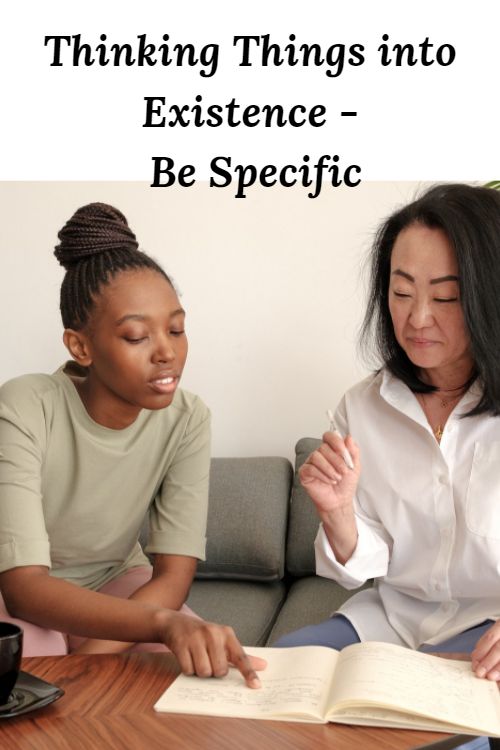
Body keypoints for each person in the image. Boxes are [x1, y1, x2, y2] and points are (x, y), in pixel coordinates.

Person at [0, 202, 263, 687]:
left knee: (187, 667)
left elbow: (172, 577)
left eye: (177, 329)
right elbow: (24, 588)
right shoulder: (24, 405)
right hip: (18, 593)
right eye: (137, 336)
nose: (167, 352)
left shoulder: (188, 419)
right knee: (30, 663)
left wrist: (93, 659)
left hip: (120, 586)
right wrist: (157, 625)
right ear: (81, 347)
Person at [275, 183, 500, 683]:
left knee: (436, 730)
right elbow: (368, 562)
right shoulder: (362, 407)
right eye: (401, 293)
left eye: (446, 296)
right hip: (393, 621)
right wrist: (338, 515)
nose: (417, 318)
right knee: (280, 672)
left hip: (489, 632)